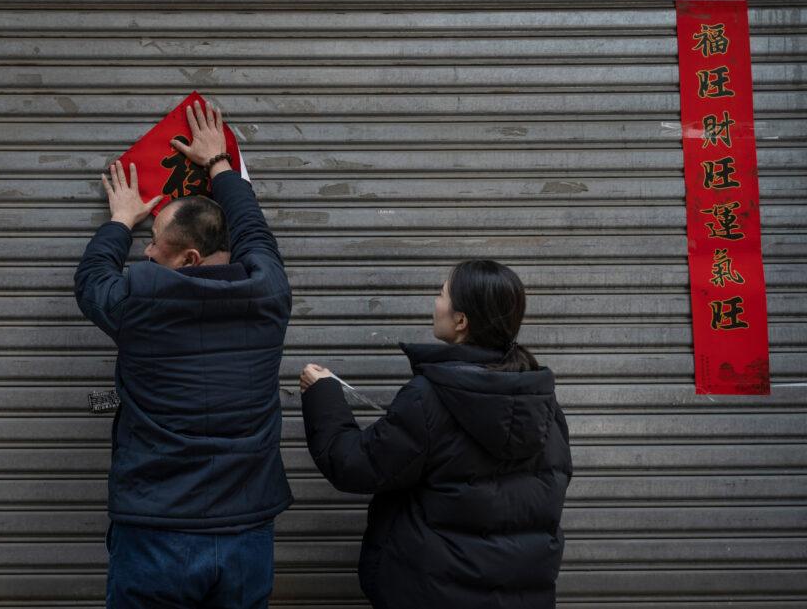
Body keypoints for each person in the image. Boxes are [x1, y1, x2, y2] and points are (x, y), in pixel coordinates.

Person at [75, 101, 293, 609]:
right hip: (245, 532)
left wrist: (119, 221)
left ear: (188, 259)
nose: (146, 253)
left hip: (156, 534)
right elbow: (253, 229)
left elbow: (91, 285)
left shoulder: (140, 302)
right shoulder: (270, 295)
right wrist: (219, 165)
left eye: (154, 243)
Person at [299, 260, 572, 609]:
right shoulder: (543, 402)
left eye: (441, 293)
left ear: (461, 321)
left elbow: (355, 464)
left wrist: (323, 395)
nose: (435, 301)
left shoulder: (429, 397)